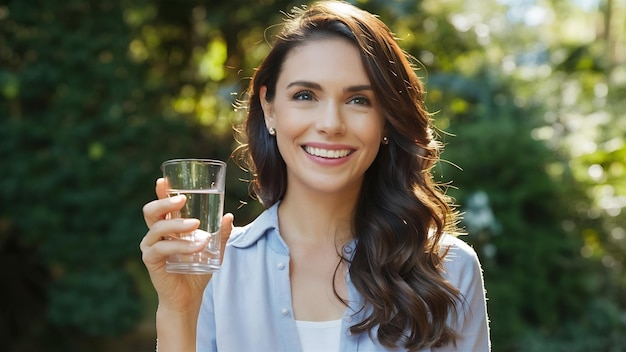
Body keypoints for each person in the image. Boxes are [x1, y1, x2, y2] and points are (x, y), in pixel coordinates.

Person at [141, 1, 490, 351]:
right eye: (305, 95)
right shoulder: (211, 269)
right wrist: (178, 311)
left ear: (386, 119)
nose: (330, 125)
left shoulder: (449, 269)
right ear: (270, 108)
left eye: (358, 100)